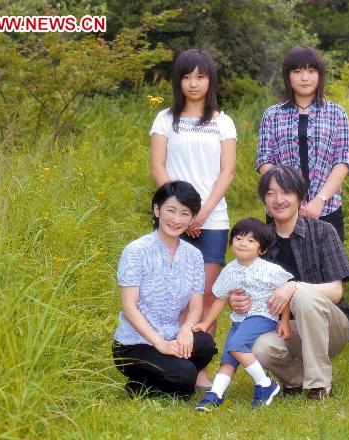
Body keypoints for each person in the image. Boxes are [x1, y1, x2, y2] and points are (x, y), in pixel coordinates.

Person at [230, 166, 349, 400]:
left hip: (332, 327)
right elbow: (248, 290)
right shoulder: (259, 242)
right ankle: (295, 379)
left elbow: (336, 292)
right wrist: (237, 300)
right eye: (271, 193)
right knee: (259, 346)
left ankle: (319, 385)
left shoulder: (324, 232)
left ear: (300, 196)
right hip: (288, 329)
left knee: (303, 295)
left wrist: (294, 286)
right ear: (264, 200)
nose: (279, 200)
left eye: (287, 192)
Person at [150, 48, 237, 389]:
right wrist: (180, 212)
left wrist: (200, 213)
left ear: (210, 80)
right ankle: (168, 360)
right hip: (174, 219)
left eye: (200, 76)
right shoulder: (164, 119)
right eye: (187, 77)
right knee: (171, 293)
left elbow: (227, 173)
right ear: (178, 81)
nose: (194, 83)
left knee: (205, 296)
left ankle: (199, 367)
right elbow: (158, 166)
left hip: (212, 220)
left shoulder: (222, 122)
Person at [112, 181, 217, 400]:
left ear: (192, 218)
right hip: (135, 344)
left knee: (205, 345)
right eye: (171, 210)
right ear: (157, 209)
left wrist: (187, 329)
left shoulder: (194, 256)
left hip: (173, 335)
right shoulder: (136, 251)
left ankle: (153, 382)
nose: (176, 219)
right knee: (186, 375)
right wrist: (160, 344)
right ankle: (147, 382)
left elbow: (196, 305)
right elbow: (129, 306)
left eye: (185, 213)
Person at [192, 218, 294, 411]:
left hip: (264, 316)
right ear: (231, 243)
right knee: (228, 357)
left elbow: (285, 295)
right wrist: (205, 324)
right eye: (238, 238)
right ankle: (215, 395)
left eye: (250, 241)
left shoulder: (270, 270)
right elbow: (220, 299)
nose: (243, 243)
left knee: (236, 345)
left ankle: (265, 384)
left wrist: (285, 321)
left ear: (261, 249)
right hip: (240, 321)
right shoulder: (229, 270)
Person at [256, 45, 349, 241]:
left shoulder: (336, 114)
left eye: (311, 71)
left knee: (329, 271)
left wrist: (319, 200)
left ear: (320, 75)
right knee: (282, 271)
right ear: (288, 76)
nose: (304, 78)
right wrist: (288, 198)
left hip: (327, 209)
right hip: (281, 210)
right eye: (297, 71)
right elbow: (264, 161)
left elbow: (342, 162)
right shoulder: (272, 115)